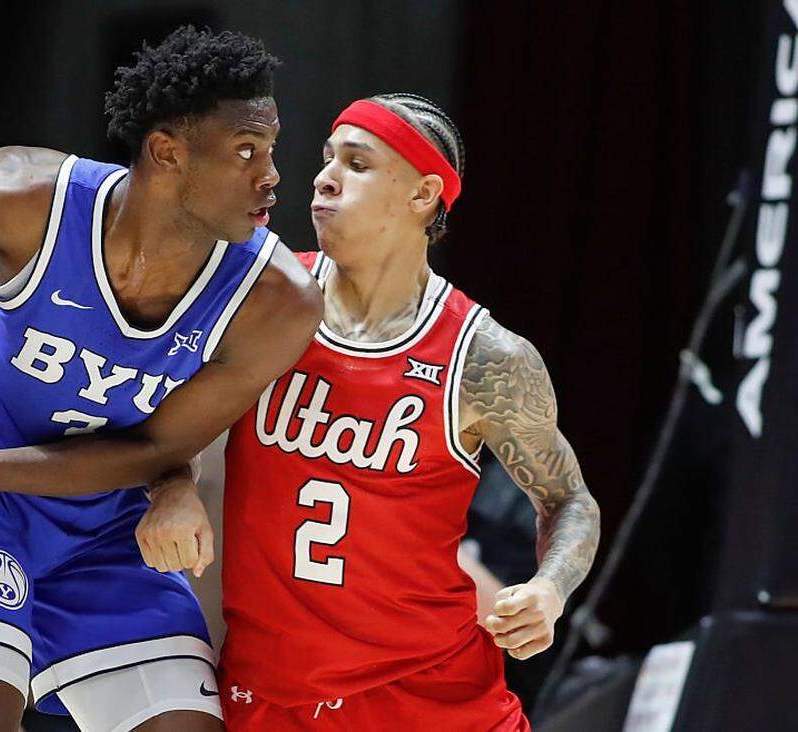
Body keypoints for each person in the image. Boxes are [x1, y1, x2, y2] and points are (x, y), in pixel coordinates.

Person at [0, 27, 321, 732]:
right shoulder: (35, 199)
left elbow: (148, 454)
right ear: (167, 153)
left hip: (100, 523)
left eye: (272, 150)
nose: (272, 175)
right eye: (247, 151)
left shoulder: (276, 300)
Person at [135, 93, 601, 729]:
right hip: (274, 693)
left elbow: (569, 499)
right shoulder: (257, 300)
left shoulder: (486, 357)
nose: (324, 176)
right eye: (328, 158)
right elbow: (143, 411)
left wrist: (549, 590)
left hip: (434, 696)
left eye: (357, 164)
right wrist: (172, 483)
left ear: (422, 194)